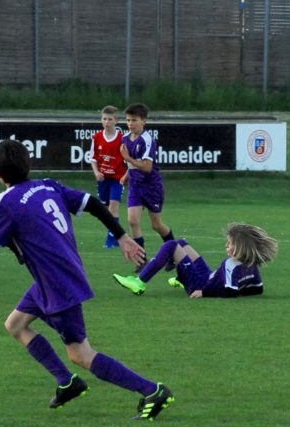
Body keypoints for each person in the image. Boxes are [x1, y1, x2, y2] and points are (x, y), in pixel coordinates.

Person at [0, 139, 174, 421]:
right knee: (16, 325)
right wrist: (121, 236)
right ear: (28, 164)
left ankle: (152, 391)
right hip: (54, 278)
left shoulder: (6, 201)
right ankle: (67, 383)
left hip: (57, 285)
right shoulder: (47, 185)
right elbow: (92, 203)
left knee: (81, 353)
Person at [113, 223, 277, 298]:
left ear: (240, 247)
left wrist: (203, 292)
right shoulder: (251, 265)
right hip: (207, 278)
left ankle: (139, 281)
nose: (226, 246)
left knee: (171, 245)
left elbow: (230, 291)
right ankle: (180, 278)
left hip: (199, 285)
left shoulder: (230, 264)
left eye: (230, 244)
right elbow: (257, 289)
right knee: (182, 243)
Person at [119, 103, 174, 270]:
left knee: (156, 225)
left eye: (134, 120)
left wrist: (128, 159)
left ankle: (174, 253)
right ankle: (142, 260)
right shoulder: (125, 139)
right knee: (132, 220)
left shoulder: (148, 139)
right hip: (136, 185)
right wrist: (127, 175)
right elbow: (132, 164)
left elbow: (147, 167)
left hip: (151, 186)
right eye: (128, 120)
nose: (130, 124)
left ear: (144, 121)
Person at [89, 105, 127, 248]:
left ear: (116, 121)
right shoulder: (97, 137)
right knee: (105, 210)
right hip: (103, 180)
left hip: (117, 179)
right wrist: (96, 173)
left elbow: (127, 160)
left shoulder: (122, 139)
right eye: (104, 119)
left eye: (110, 119)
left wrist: (126, 176)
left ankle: (112, 241)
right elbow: (93, 158)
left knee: (113, 208)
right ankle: (116, 234)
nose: (106, 122)